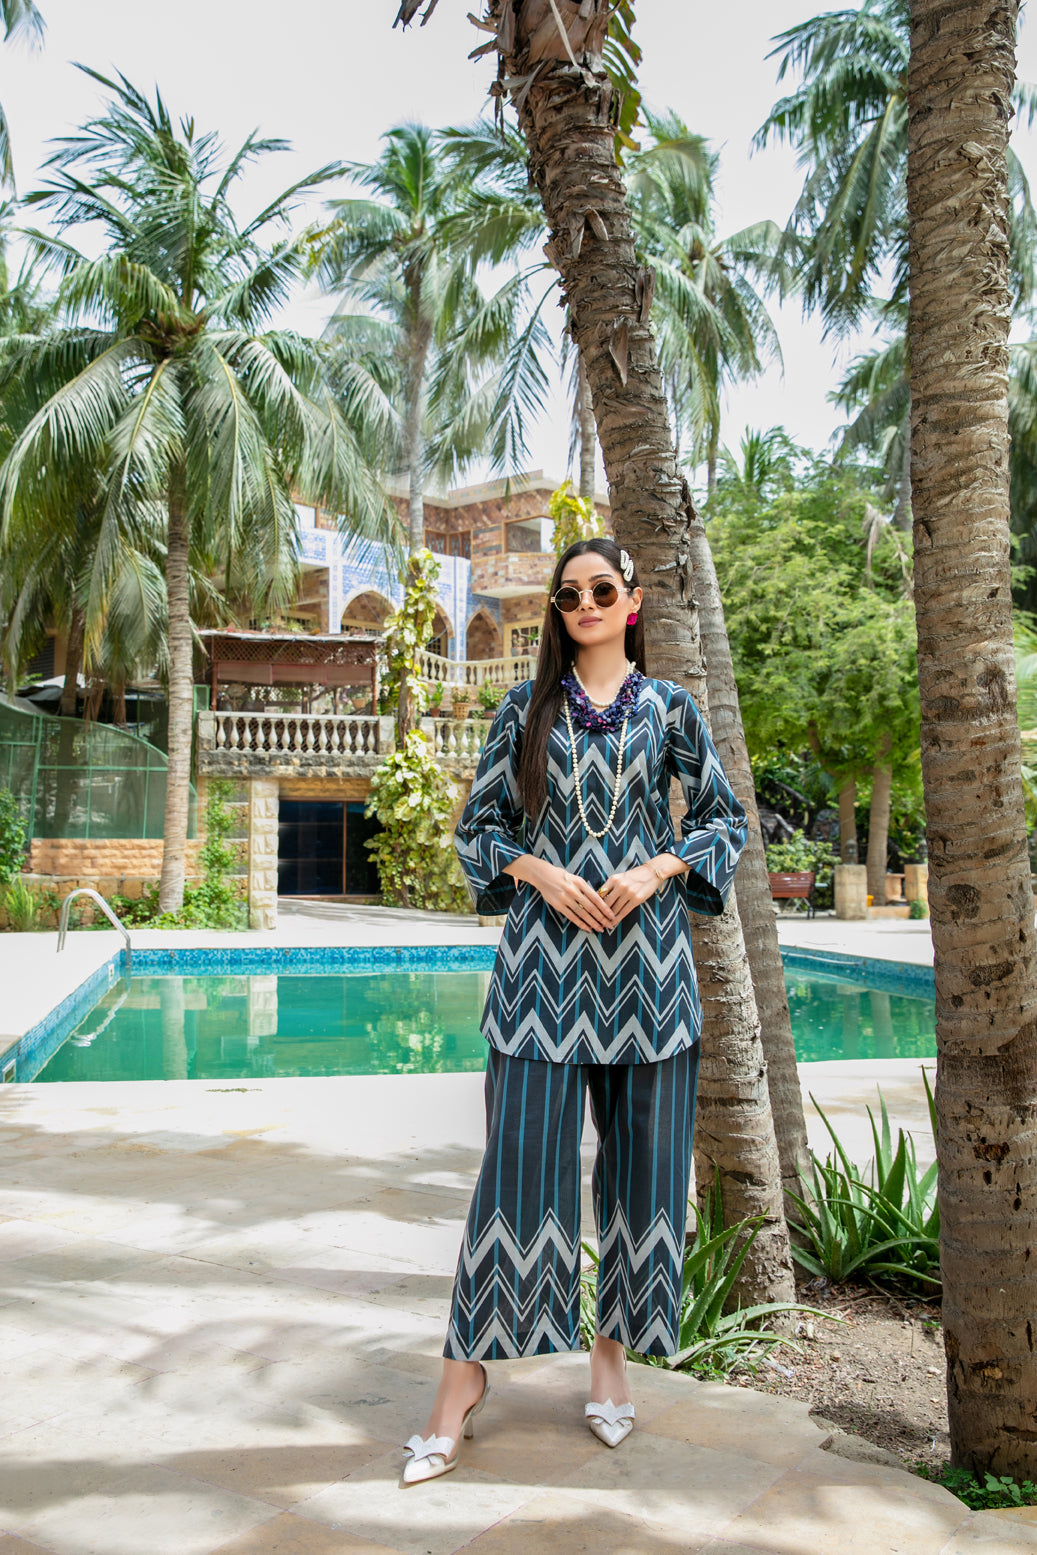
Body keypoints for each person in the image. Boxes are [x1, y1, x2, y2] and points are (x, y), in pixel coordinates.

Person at [401, 537, 747, 1486]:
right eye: (568, 594)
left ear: (631, 601)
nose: (584, 603)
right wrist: (538, 871)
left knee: (644, 1175)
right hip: (539, 977)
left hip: (648, 976)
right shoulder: (524, 708)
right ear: (557, 610)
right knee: (512, 1176)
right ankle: (460, 1382)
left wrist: (656, 867)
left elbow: (723, 819)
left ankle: (610, 1361)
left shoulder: (671, 708)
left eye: (601, 589)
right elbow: (478, 828)